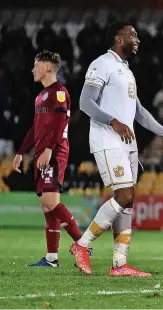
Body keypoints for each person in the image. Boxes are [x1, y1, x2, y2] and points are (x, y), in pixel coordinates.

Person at [70, 22, 163, 276]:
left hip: (127, 143)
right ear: (117, 37)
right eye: (132, 35)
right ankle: (82, 244)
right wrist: (114, 121)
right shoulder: (102, 63)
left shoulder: (126, 70)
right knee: (124, 196)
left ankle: (120, 264)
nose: (137, 39)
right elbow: (85, 102)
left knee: (127, 203)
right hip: (107, 139)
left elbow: (140, 112)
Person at [13, 50, 84, 267]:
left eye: (36, 65)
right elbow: (35, 128)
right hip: (42, 153)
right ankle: (52, 258)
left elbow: (62, 122)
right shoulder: (40, 96)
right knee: (47, 206)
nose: (33, 69)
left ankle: (83, 244)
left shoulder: (59, 92)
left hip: (54, 152)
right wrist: (21, 152)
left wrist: (50, 150)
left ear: (48, 67)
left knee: (50, 202)